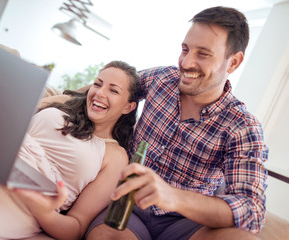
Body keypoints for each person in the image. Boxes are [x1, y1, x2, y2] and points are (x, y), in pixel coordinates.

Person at [85, 6, 268, 240]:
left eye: (203, 54)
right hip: (126, 207)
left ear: (233, 62)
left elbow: (252, 210)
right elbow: (112, 89)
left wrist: (171, 196)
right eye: (185, 49)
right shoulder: (161, 79)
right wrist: (63, 105)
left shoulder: (243, 127)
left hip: (187, 222)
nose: (186, 62)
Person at [0, 60, 141, 240]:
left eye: (113, 90)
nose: (99, 93)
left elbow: (77, 227)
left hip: (24, 201)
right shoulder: (63, 108)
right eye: (97, 84)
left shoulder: (116, 156)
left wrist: (44, 210)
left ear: (128, 106)